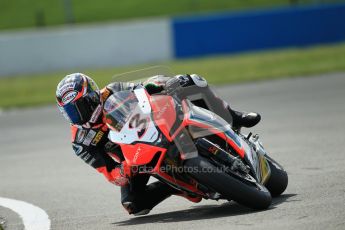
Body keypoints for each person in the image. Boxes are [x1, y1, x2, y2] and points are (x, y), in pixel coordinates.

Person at [56, 72, 261, 216]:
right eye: (70, 112)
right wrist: (125, 170)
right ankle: (173, 184)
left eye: (80, 107)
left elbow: (141, 90)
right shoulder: (80, 142)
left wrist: (160, 86)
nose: (78, 116)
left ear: (92, 96)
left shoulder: (111, 90)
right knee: (133, 205)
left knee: (191, 81)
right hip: (134, 160)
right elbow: (109, 172)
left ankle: (234, 116)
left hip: (156, 127)